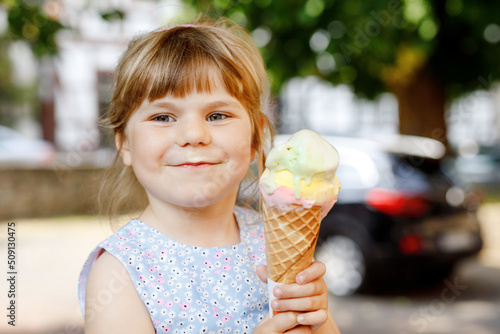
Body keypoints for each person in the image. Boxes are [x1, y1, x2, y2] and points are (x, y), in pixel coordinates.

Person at [78, 17, 341, 334]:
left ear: (256, 137)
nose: (193, 134)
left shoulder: (268, 242)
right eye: (163, 116)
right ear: (125, 145)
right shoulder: (119, 273)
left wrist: (319, 319)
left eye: (217, 115)